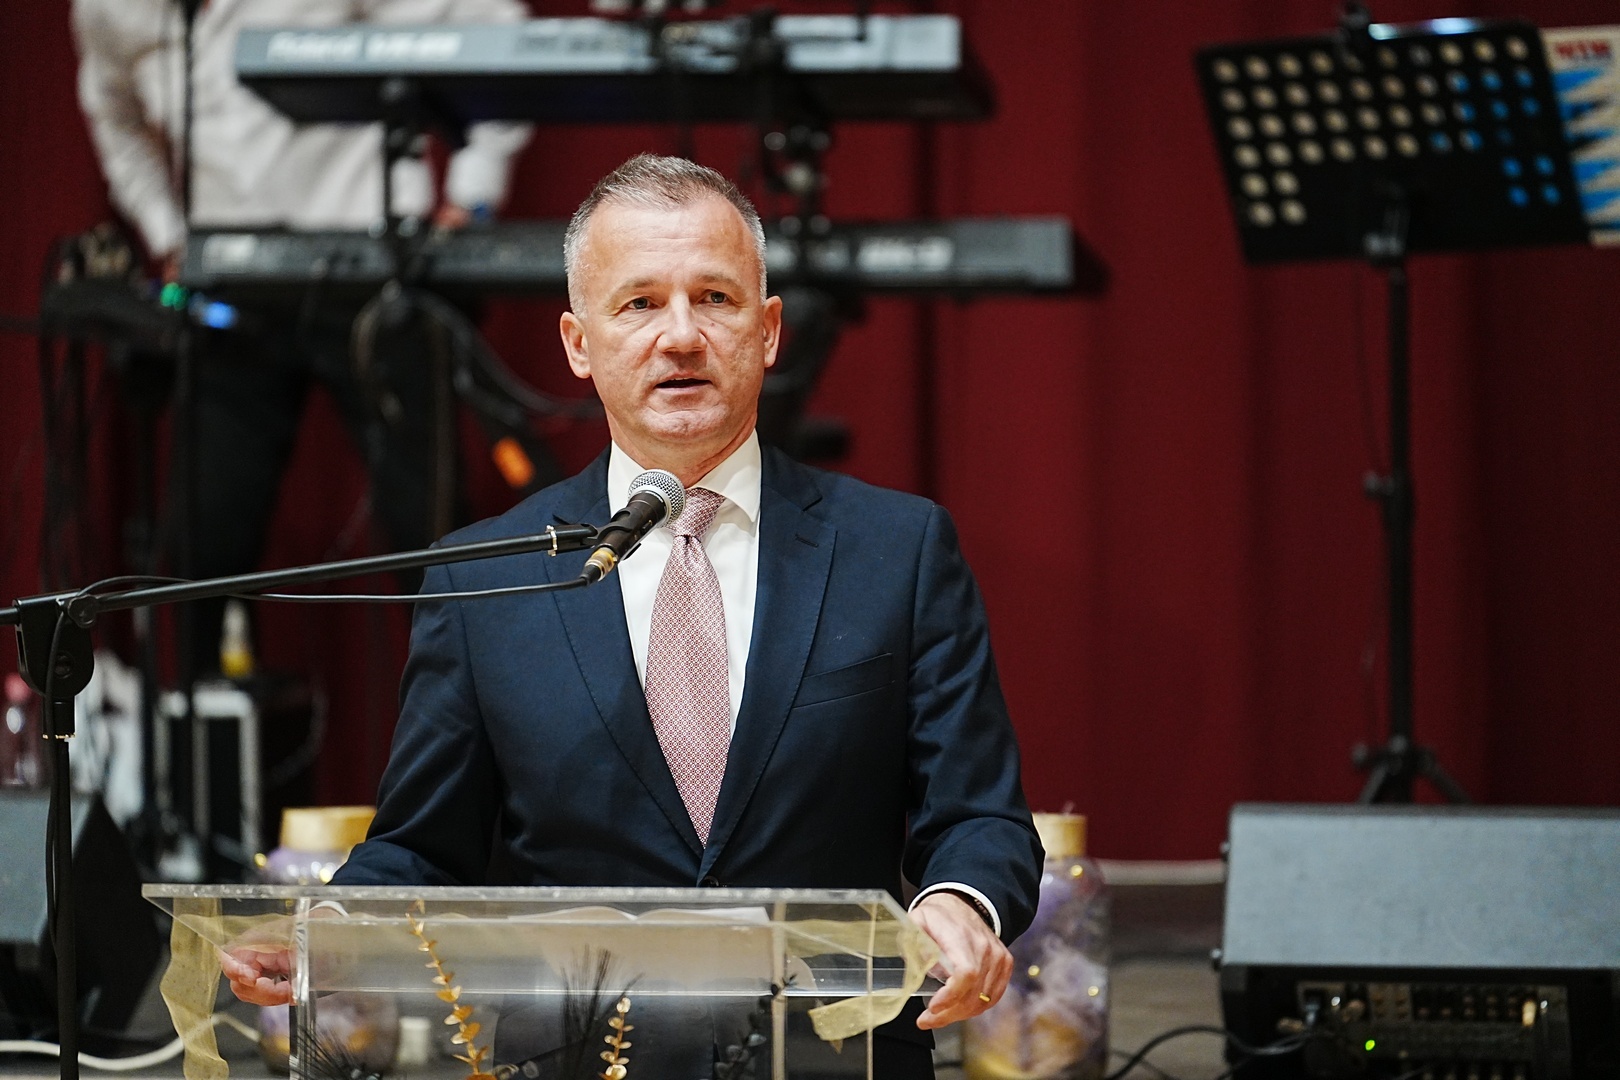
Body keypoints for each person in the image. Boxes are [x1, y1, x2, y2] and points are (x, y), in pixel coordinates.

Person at [221, 154, 1043, 1078]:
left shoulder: (898, 549)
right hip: (574, 1056)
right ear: (580, 343)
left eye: (716, 299)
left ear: (769, 330)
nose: (681, 336)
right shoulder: (486, 575)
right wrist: (323, 929)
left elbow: (980, 817)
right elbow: (421, 845)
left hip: (836, 1053)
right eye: (640, 303)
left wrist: (961, 902)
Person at [71, 0, 532, 668]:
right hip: (229, 286)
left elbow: (494, 26)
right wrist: (165, 232)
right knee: (204, 541)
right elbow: (114, 115)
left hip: (375, 267)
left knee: (431, 535)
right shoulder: (107, 8)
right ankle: (207, 720)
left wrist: (474, 193)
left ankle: (471, 719)